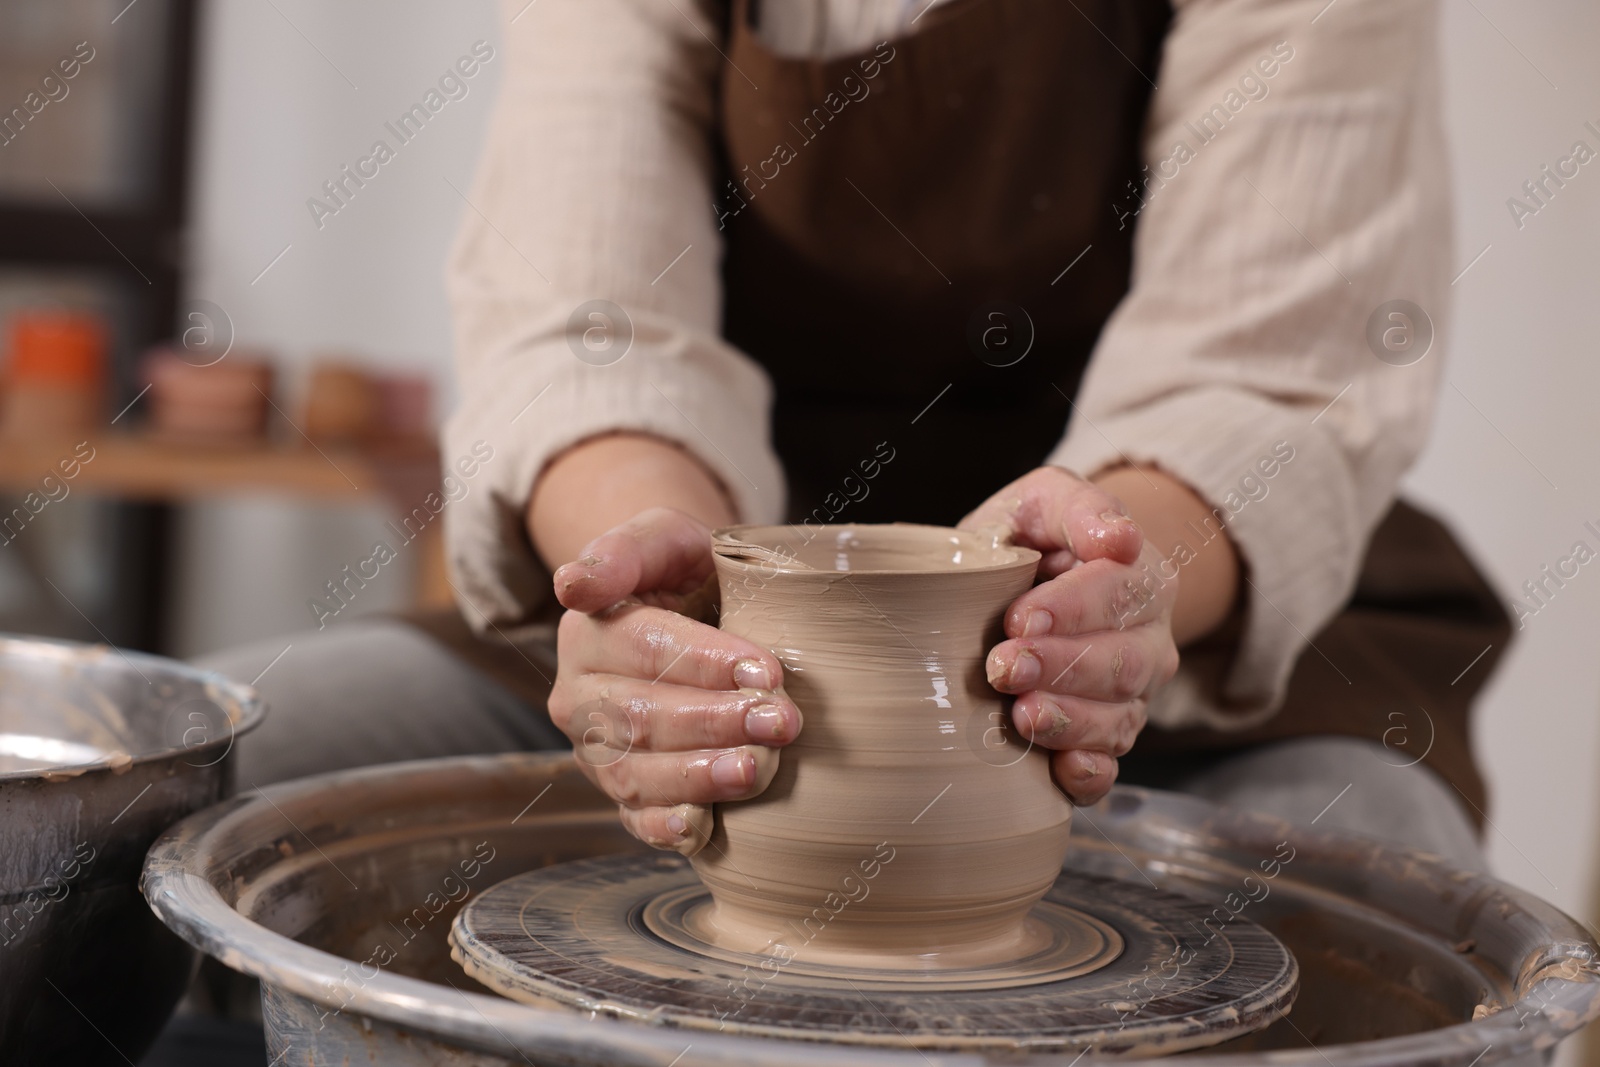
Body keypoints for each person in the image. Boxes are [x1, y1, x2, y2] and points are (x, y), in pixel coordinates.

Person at [203, 0, 1511, 873]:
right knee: (176, 784)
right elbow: (589, 319)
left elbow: (1267, 366)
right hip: (730, 612)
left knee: (1381, 888)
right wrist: (649, 590)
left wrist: (1117, 584)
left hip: (1162, 615)